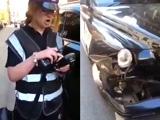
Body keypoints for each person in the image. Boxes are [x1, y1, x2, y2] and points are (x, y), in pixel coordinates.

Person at [5, 0, 70, 120]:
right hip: (27, 109)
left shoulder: (57, 37)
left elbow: (59, 71)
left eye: (52, 11)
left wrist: (63, 68)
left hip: (54, 107)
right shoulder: (17, 38)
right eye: (44, 10)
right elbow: (12, 75)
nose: (50, 15)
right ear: (32, 10)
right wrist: (36, 57)